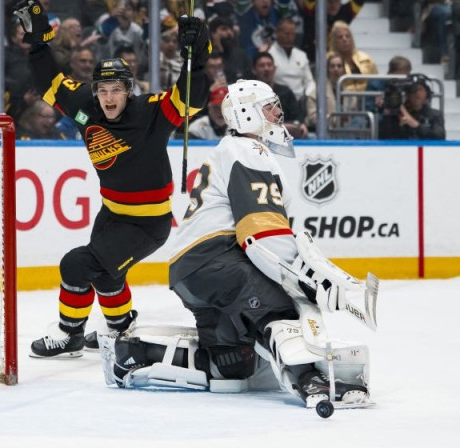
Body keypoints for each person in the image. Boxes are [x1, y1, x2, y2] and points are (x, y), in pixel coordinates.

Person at [98, 79, 375, 411]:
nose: (277, 114)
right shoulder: (249, 151)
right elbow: (262, 234)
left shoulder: (229, 150)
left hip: (191, 269)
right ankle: (311, 380)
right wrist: (306, 281)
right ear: (246, 114)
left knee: (232, 366)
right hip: (218, 260)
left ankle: (136, 353)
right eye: (268, 108)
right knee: (282, 308)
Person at [12, 0, 211, 358]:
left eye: (116, 89)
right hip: (112, 214)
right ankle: (120, 329)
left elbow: (191, 100)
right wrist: (39, 43)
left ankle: (69, 334)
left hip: (147, 224)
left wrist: (196, 57)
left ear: (129, 90)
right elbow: (49, 84)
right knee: (106, 273)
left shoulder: (150, 111)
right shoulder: (85, 107)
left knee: (76, 264)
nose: (108, 97)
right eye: (103, 90)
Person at [252, 52, 308, 139]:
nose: (266, 68)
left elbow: (298, 119)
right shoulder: (248, 93)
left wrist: (300, 125)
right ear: (254, 70)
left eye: (269, 65)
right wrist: (280, 127)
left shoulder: (286, 92)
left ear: (274, 68)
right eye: (262, 65)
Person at [379, 75, 445, 140]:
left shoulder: (435, 114)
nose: (416, 93)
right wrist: (386, 113)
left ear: (427, 93)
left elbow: (440, 137)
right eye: (412, 90)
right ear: (407, 94)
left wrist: (416, 125)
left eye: (420, 89)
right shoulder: (397, 114)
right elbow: (385, 138)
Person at [267, 17, 315, 103]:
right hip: (277, 100)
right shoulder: (269, 55)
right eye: (287, 34)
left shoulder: (301, 55)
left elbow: (310, 81)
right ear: (277, 33)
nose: (290, 38)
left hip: (301, 100)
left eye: (293, 34)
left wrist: (307, 96)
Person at [327, 21, 378, 93]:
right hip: (342, 96)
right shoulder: (329, 59)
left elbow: (377, 81)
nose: (344, 39)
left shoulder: (366, 58)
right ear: (334, 41)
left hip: (367, 97)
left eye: (347, 36)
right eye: (340, 37)